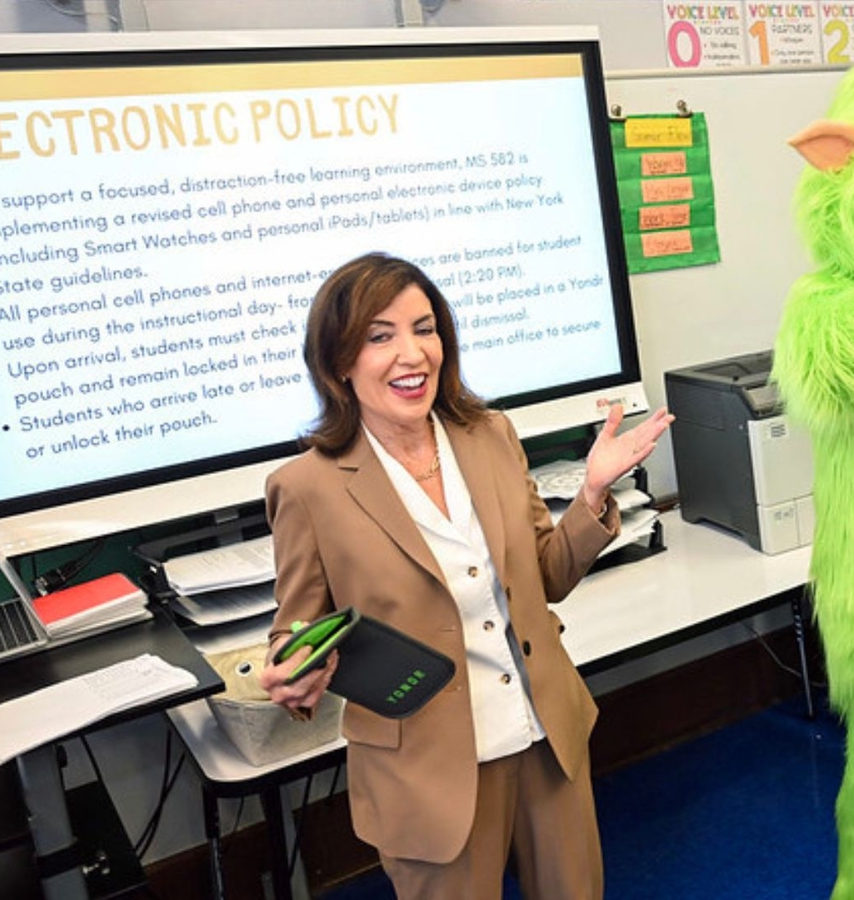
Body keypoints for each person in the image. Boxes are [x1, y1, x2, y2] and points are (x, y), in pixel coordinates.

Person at [258, 252, 672, 898]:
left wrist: (591, 495)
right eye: (380, 336)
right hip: (429, 774)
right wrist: (293, 670)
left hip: (544, 737)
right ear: (340, 361)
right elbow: (298, 634)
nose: (412, 353)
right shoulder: (306, 487)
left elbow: (547, 574)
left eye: (425, 329)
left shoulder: (489, 435)